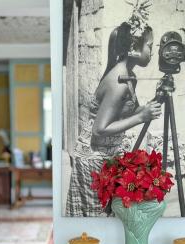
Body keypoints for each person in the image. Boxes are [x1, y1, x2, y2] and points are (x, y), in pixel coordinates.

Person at [65, 4, 162, 217]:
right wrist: (140, 117)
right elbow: (100, 129)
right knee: (94, 224)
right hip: (92, 160)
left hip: (106, 158)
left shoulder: (128, 76)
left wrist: (149, 105)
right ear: (135, 47)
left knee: (105, 218)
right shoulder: (118, 82)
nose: (153, 52)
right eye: (150, 46)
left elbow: (128, 112)